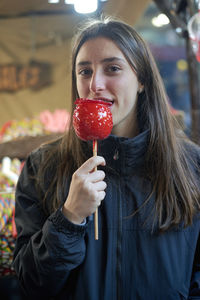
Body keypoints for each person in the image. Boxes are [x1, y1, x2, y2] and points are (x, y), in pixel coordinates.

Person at [13, 17, 200, 300]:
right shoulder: (42, 167)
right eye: (84, 71)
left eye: (112, 68)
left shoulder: (192, 166)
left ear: (142, 81)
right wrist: (69, 219)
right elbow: (29, 284)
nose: (95, 84)